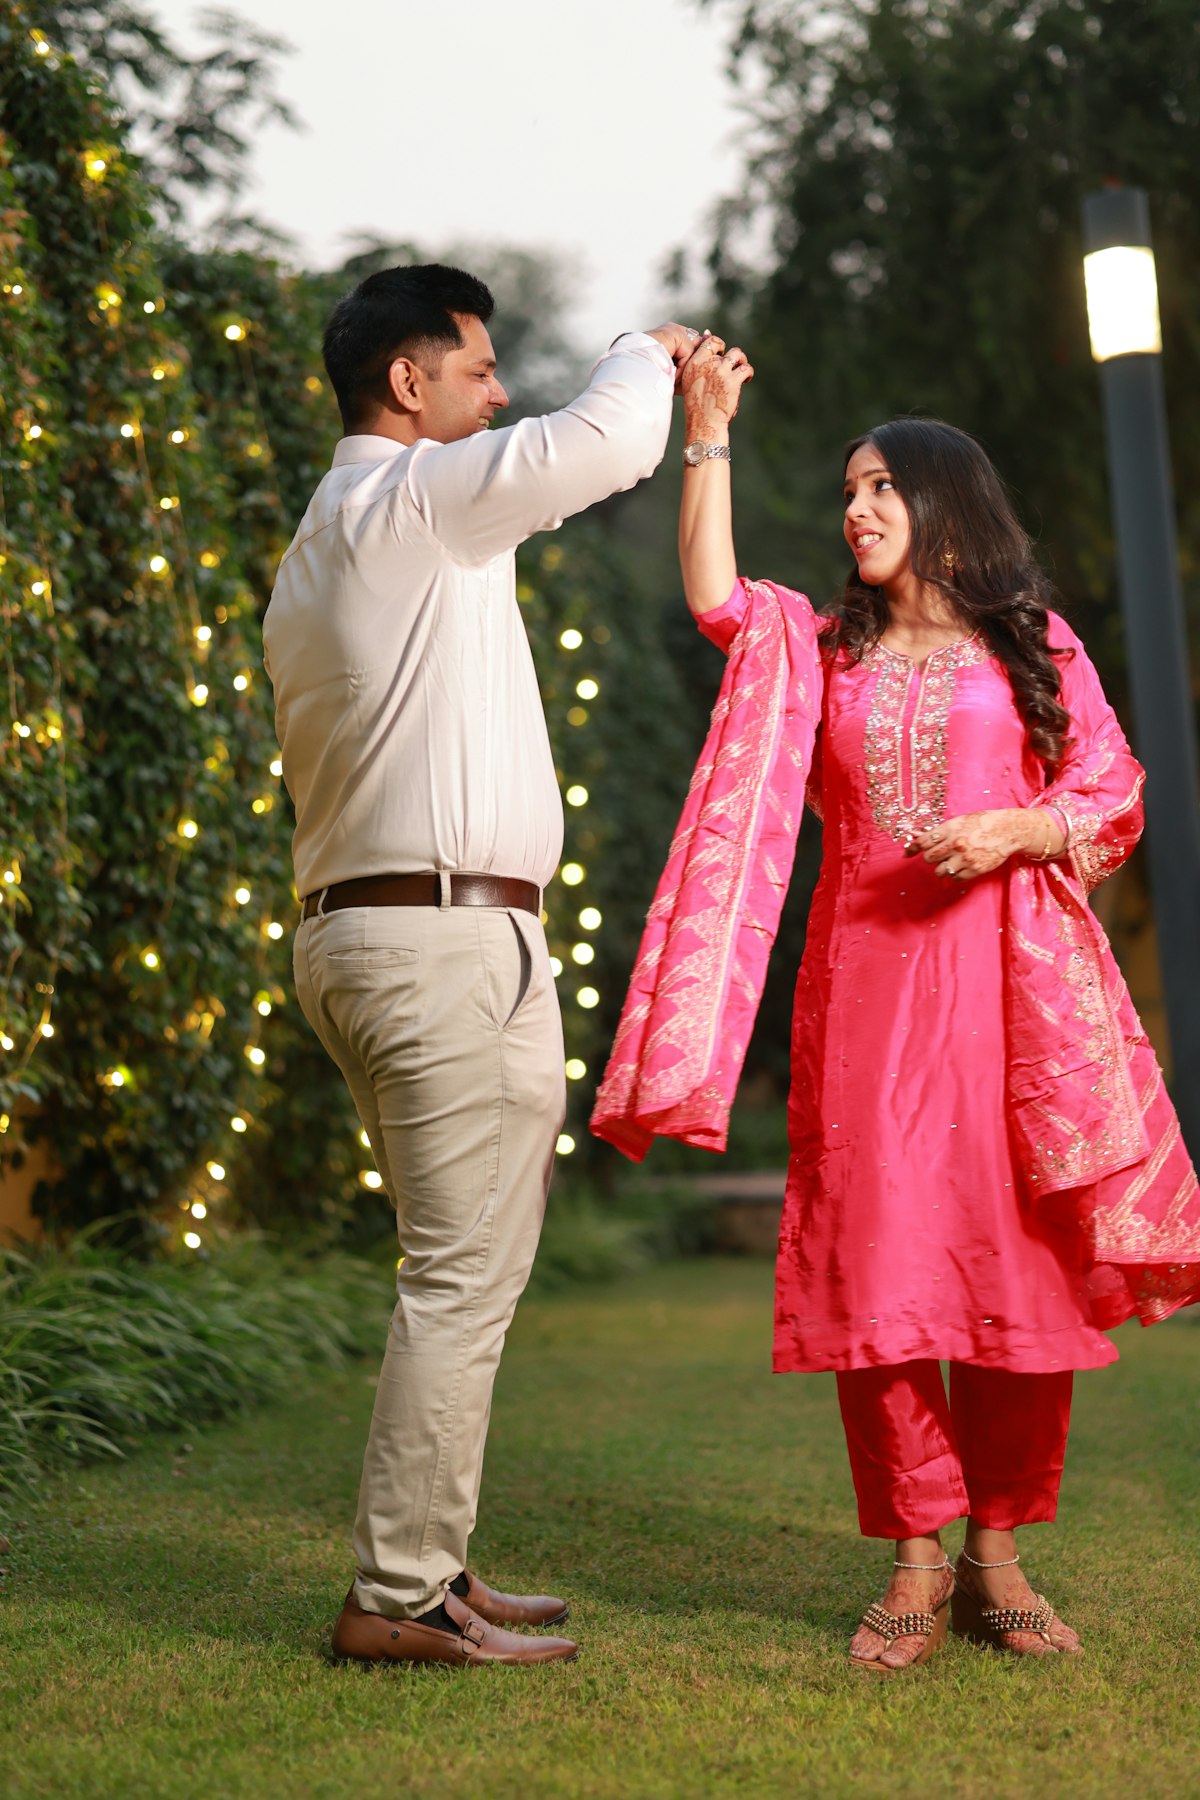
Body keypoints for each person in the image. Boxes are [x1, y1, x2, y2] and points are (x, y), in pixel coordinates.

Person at [592, 332, 1200, 1673]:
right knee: (877, 1270)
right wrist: (708, 436)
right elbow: (711, 598)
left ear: (946, 505)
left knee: (1016, 1273)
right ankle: (917, 1559)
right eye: (850, 491)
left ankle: (998, 1553)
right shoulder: (820, 649)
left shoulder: (1031, 644)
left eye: (882, 488)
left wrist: (1018, 830)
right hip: (864, 990)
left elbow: (1112, 787)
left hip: (1012, 1001)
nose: (858, 509)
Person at [263, 263, 700, 1668]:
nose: (501, 391)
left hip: (382, 931)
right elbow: (608, 441)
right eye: (480, 368)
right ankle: (398, 1598)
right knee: (458, 1279)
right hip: (438, 939)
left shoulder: (333, 537)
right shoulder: (408, 504)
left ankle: (431, 1572)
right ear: (410, 382)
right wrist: (653, 347)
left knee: (466, 1275)